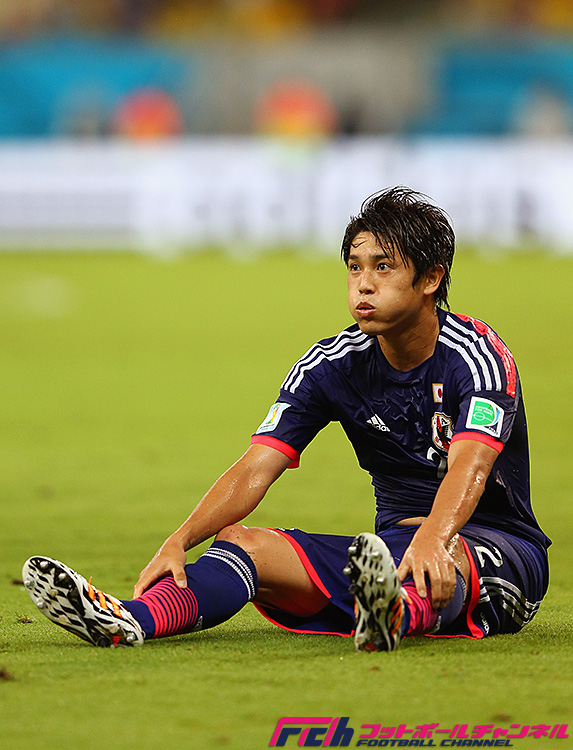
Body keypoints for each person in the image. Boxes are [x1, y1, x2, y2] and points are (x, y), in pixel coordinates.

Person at [23, 187, 550, 651]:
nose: (363, 285)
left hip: (496, 549)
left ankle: (394, 610)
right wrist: (180, 539)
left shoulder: (477, 357)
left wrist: (434, 535)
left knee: (439, 559)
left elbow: (471, 466)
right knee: (242, 544)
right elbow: (256, 467)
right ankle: (131, 620)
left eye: (383, 267)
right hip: (388, 553)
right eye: (355, 267)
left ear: (431, 277)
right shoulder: (331, 365)